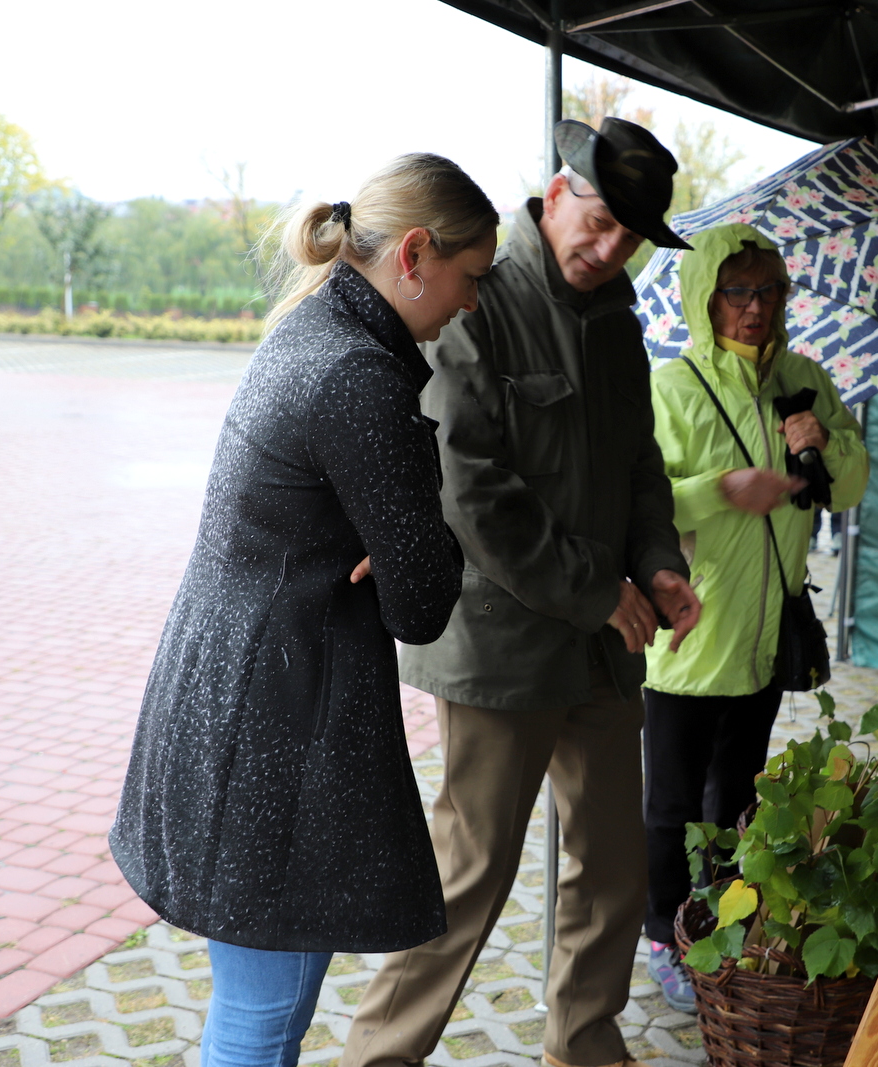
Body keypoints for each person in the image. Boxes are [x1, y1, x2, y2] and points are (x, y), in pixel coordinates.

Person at [109, 153, 499, 1067]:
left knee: (249, 1006)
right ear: (414, 254)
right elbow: (422, 605)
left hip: (237, 709)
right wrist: (420, 539)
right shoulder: (360, 375)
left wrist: (395, 535)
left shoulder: (314, 327)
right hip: (272, 736)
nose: (469, 305)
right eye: (468, 279)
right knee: (262, 1018)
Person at [341, 118, 701, 1067]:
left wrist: (659, 562)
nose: (609, 244)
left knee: (617, 871)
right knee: (469, 878)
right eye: (598, 218)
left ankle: (583, 1046)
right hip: (505, 644)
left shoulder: (621, 320)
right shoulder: (480, 300)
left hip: (604, 642)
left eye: (629, 233)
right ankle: (378, 1055)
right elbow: (471, 492)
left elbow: (639, 466)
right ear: (555, 193)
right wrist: (599, 589)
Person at [640, 223, 869, 1009]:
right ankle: (660, 938)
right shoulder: (672, 388)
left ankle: (719, 925)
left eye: (768, 291)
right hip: (689, 634)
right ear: (706, 301)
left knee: (736, 795)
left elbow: (855, 478)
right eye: (736, 292)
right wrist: (721, 489)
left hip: (767, 632)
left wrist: (823, 442)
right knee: (670, 804)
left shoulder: (804, 380)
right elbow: (643, 504)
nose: (755, 308)